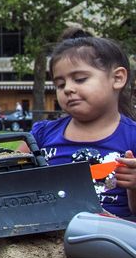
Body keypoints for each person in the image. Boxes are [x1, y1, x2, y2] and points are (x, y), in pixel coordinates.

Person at [29, 29, 136, 218]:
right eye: (60, 84)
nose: (68, 89)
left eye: (80, 79)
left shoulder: (132, 137)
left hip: (111, 238)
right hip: (48, 236)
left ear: (117, 78)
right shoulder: (42, 135)